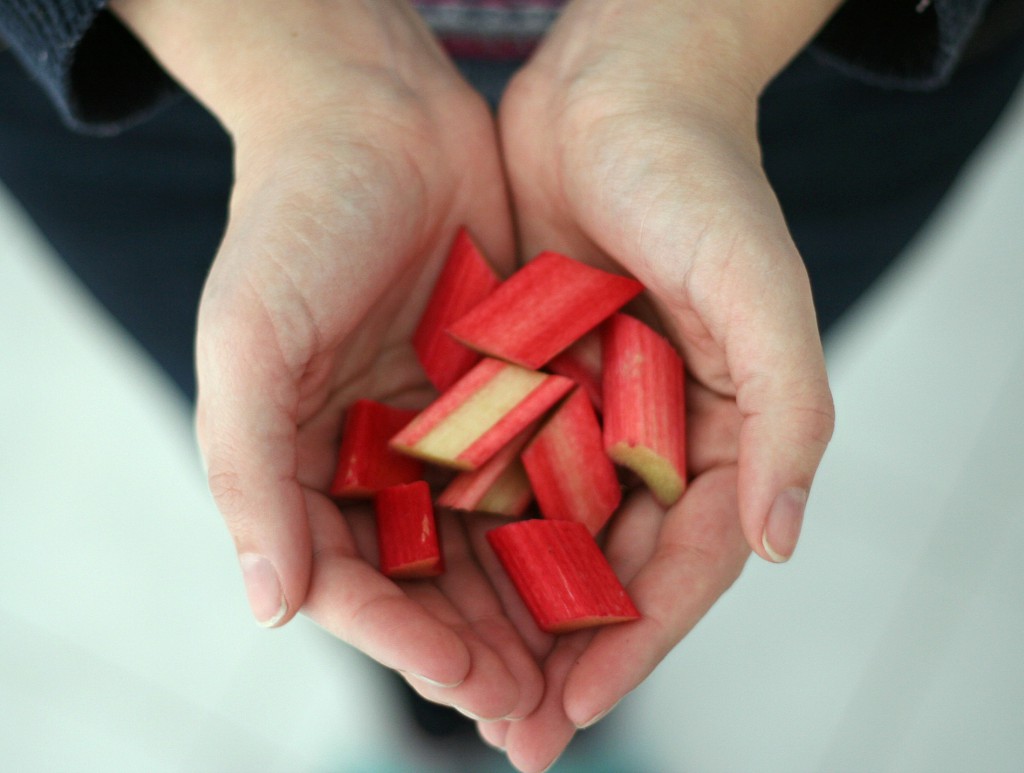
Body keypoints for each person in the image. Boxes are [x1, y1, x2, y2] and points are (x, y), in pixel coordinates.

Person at [2, 2, 1022, 771]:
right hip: (176, 64)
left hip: (788, 55)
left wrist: (695, 41)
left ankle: (542, 727)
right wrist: (299, 73)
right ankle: (441, 725)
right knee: (308, 456)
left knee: (721, 374)